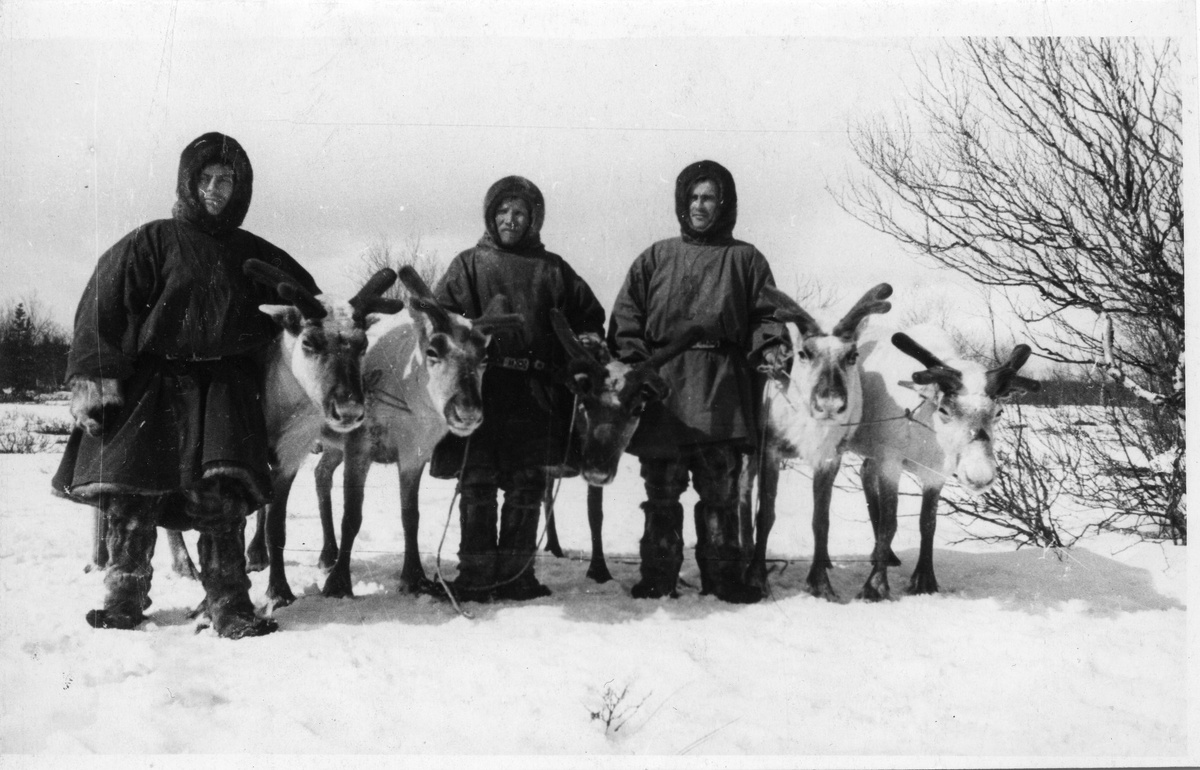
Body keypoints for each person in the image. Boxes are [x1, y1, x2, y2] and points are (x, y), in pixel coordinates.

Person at [53, 132, 319, 638]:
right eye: (208, 179)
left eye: (227, 181)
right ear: (189, 182)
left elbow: (311, 304)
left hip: (224, 389)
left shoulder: (253, 254)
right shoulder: (150, 242)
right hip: (155, 384)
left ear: (240, 190)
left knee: (222, 499)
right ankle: (123, 600)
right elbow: (103, 308)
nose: (217, 189)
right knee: (134, 497)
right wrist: (95, 380)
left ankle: (230, 606)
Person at [608, 159, 789, 604]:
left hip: (721, 389)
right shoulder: (656, 256)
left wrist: (771, 346)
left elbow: (768, 315)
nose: (699, 205)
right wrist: (637, 367)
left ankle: (724, 579)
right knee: (662, 491)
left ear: (724, 203)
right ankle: (658, 575)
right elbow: (626, 318)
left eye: (709, 197)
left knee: (720, 492)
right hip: (664, 386)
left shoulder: (745, 259)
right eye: (692, 197)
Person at [430, 175, 605, 602]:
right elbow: (440, 318)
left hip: (536, 390)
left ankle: (517, 575)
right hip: (482, 387)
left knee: (527, 484)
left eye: (520, 213)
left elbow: (588, 318)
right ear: (491, 216)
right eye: (503, 211)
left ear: (534, 220)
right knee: (478, 480)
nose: (511, 219)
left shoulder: (554, 269)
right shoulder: (468, 264)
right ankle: (475, 574)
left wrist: (586, 343)